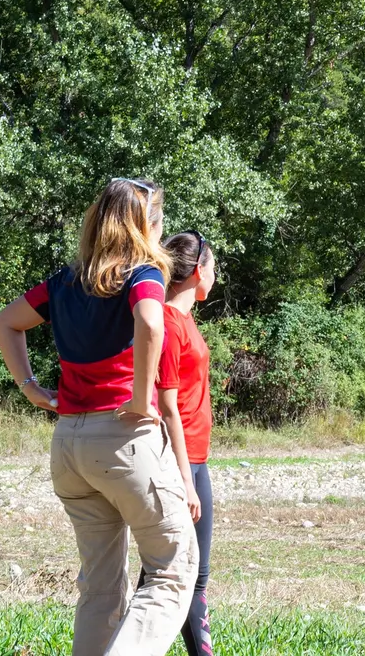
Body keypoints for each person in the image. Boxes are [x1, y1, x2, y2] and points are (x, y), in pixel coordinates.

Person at [0, 177, 197, 656]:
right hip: (124, 441)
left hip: (69, 444)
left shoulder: (65, 281)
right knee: (172, 571)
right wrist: (142, 400)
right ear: (146, 225)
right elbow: (151, 323)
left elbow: (5, 322)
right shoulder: (144, 274)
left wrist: (31, 388)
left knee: (101, 586)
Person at [155, 230, 217, 656]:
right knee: (177, 575)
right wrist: (185, 480)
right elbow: (167, 405)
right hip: (181, 462)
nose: (215, 276)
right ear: (198, 271)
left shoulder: (185, 319)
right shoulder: (167, 322)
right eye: (214, 267)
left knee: (182, 575)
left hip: (197, 458)